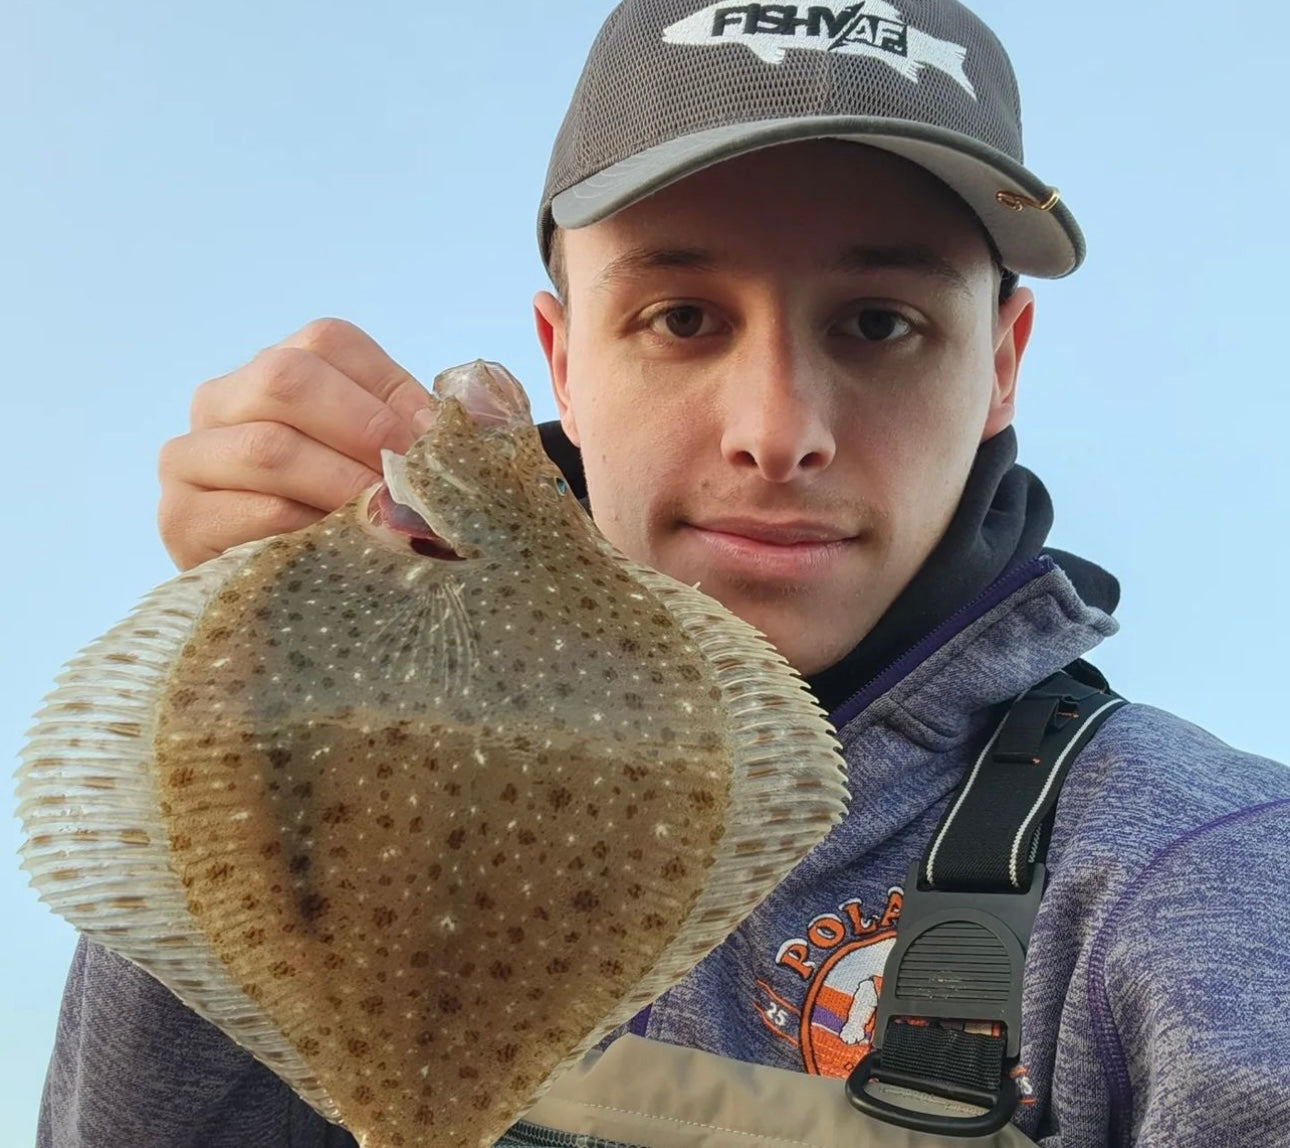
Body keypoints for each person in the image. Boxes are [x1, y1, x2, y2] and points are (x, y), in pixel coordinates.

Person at [36, 1, 1290, 1146]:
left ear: (1002, 363)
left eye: (878, 322)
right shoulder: (323, 697)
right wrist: (246, 685)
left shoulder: (1203, 874)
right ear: (564, 360)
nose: (777, 428)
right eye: (683, 317)